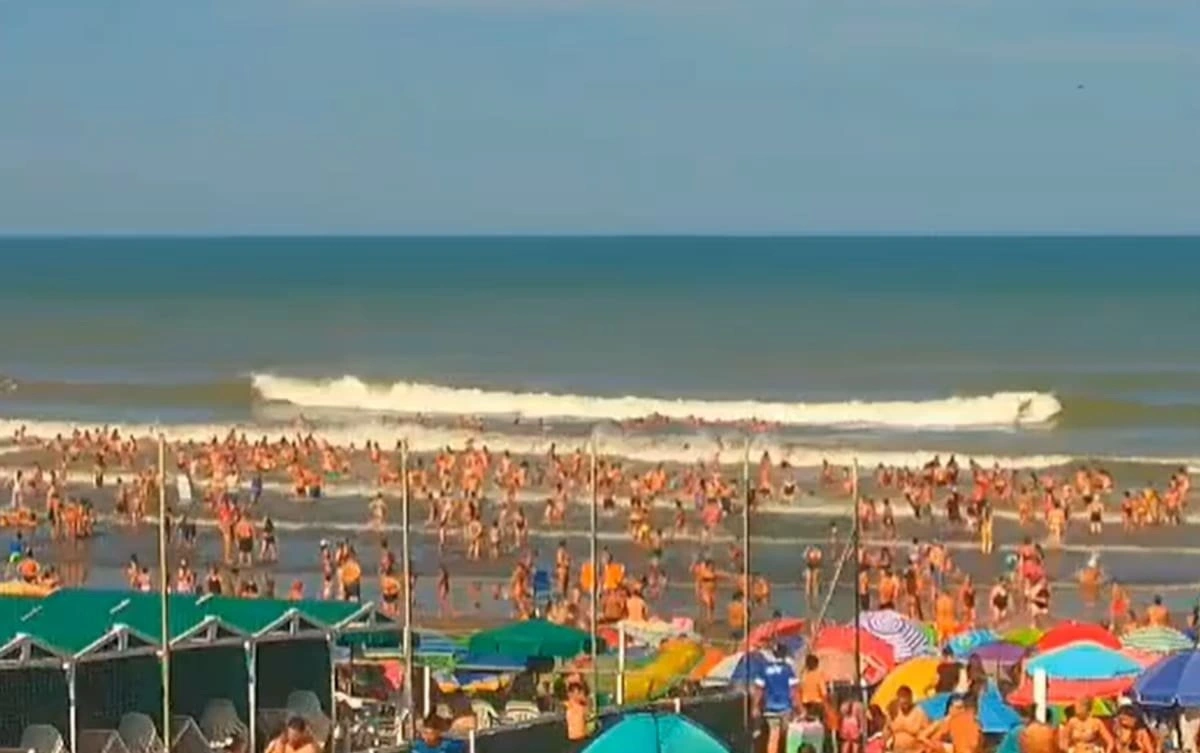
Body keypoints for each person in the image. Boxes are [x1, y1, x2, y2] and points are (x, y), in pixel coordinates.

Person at [753, 644, 800, 753]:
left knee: (773, 736)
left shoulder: (764, 669)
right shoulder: (787, 669)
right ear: (784, 654)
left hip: (769, 708)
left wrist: (755, 706)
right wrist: (800, 708)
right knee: (787, 736)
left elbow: (759, 689)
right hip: (785, 708)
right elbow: (794, 691)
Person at [886, 686, 929, 753]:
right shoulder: (893, 711)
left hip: (915, 750)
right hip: (896, 750)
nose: (905, 702)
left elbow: (927, 731)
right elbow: (887, 729)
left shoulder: (919, 712)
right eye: (902, 698)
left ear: (911, 698)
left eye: (906, 698)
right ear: (898, 699)